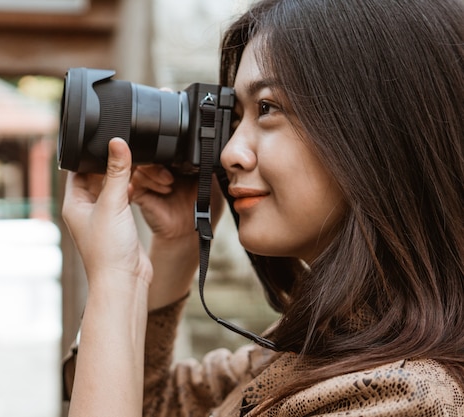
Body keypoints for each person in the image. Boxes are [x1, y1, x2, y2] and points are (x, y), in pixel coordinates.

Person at [61, 0, 464, 415]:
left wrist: (114, 279)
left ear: (376, 129)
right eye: (235, 118)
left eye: (267, 108)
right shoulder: (322, 343)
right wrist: (178, 242)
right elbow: (149, 404)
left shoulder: (407, 398)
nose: (230, 152)